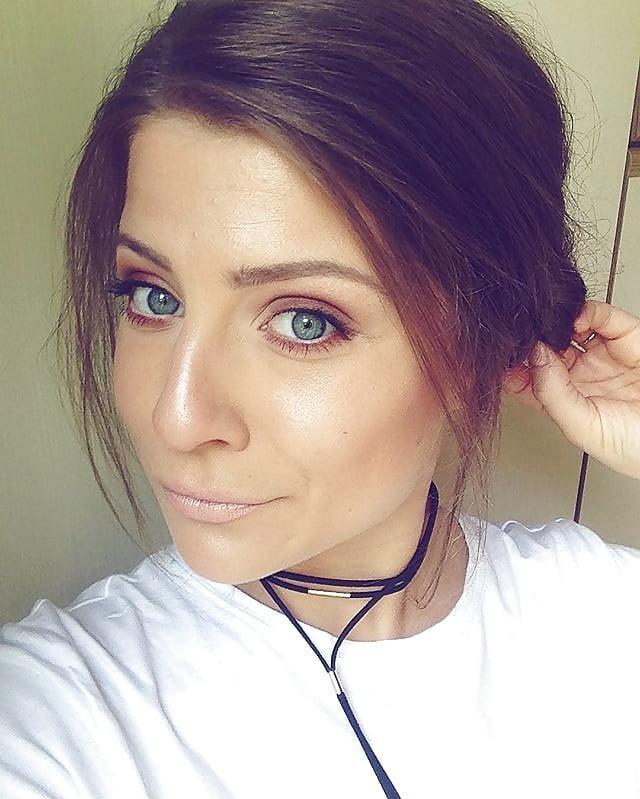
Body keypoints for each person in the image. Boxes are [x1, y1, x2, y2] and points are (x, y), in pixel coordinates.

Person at [1, 1, 639, 797]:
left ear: (487, 340)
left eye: (305, 321)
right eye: (153, 297)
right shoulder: (60, 716)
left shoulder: (602, 617)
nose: (175, 417)